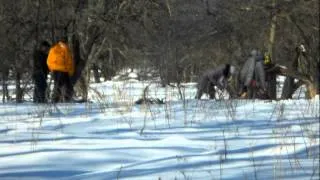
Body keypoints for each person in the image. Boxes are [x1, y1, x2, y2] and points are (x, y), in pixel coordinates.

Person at [47, 37, 74, 103]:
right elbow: (69, 61)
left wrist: (52, 69)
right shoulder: (65, 48)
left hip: (55, 70)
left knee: (57, 86)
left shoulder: (53, 49)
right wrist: (70, 71)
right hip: (63, 70)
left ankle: (55, 100)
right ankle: (67, 100)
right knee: (68, 86)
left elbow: (48, 61)